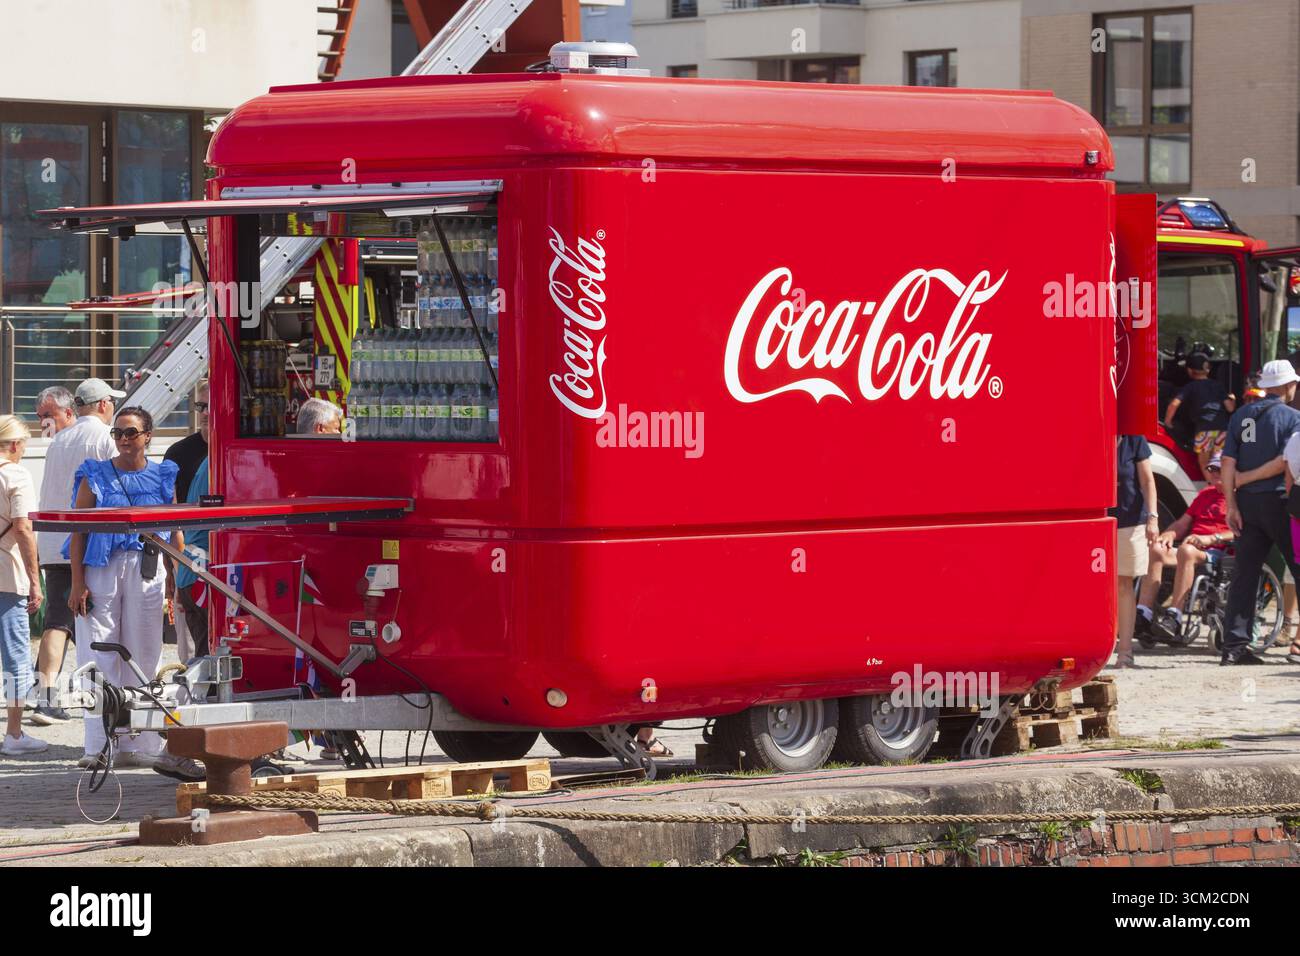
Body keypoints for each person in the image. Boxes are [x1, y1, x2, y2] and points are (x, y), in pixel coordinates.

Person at [66, 407, 182, 770]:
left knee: (145, 651)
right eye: (117, 433)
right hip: (101, 567)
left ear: (148, 435)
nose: (123, 439)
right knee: (97, 651)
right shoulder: (94, 474)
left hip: (148, 568)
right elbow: (78, 530)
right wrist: (76, 581)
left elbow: (176, 529)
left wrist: (177, 581)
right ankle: (98, 742)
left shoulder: (164, 475)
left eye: (131, 433)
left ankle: (139, 740)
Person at [30, 379, 119, 726]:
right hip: (85, 541)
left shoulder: (60, 439)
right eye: (111, 401)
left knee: (59, 619)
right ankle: (60, 696)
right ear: (102, 405)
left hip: (54, 540)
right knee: (75, 621)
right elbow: (115, 486)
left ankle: (46, 694)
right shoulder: (102, 436)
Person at [1220, 359, 1300, 665]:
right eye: (1293, 382)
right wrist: (1249, 479)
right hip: (1281, 503)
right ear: (1285, 385)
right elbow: (1286, 462)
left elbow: (1228, 462)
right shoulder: (1293, 418)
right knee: (1298, 568)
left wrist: (1232, 503)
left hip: (1247, 507)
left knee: (1245, 575)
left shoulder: (1242, 416)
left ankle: (1234, 647)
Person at [1143, 455, 1234, 641]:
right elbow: (1182, 524)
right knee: (1156, 549)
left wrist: (1211, 538)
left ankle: (1175, 615)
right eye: (1211, 469)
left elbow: (1241, 531)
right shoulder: (1205, 495)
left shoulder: (1238, 498)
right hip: (1192, 548)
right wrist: (1168, 534)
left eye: (1219, 469)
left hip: (1219, 552)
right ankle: (1142, 613)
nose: (1214, 473)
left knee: (1186, 550)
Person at [0, 416, 46, 755]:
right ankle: (14, 734)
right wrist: (35, 579)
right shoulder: (15, 474)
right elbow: (23, 528)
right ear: (15, 445)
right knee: (16, 656)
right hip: (6, 573)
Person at [163, 381, 209, 662]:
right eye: (200, 406)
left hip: (219, 567)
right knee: (191, 651)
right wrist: (174, 569)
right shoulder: (179, 453)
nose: (204, 412)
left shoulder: (233, 448)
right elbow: (172, 516)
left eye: (211, 406)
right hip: (188, 565)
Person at [1113, 434, 1158, 668]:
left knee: (1123, 583)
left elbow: (1147, 481)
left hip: (1130, 520)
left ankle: (1125, 652)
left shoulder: (1135, 440)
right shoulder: (1091, 435)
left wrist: (1153, 517)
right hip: (1098, 518)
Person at [1164, 353, 1234, 475]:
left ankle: (1211, 488)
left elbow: (1174, 404)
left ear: (1190, 371)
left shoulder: (1190, 387)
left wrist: (1168, 422)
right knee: (1219, 463)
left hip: (1204, 430)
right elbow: (1230, 408)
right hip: (1223, 430)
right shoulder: (1218, 385)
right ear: (1208, 369)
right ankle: (1222, 489)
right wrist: (1233, 398)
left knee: (1205, 464)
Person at [172, 456, 210, 659]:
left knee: (205, 658)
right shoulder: (220, 461)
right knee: (214, 660)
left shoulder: (207, 462)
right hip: (205, 575)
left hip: (192, 572)